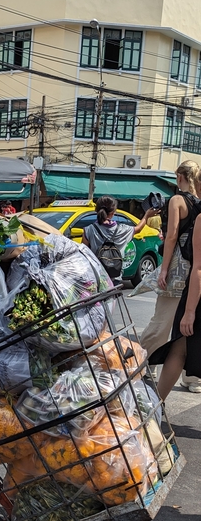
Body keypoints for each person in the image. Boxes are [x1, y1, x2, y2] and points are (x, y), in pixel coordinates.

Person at [140, 160, 201, 392]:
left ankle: (137, 362)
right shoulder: (199, 204)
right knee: (189, 329)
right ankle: (192, 378)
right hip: (195, 272)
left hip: (178, 271)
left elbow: (172, 236)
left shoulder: (177, 200)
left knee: (161, 321)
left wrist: (163, 269)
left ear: (179, 177)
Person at [153, 211, 201, 401]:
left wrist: (189, 311)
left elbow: (199, 267)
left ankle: (156, 407)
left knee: (179, 347)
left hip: (197, 295)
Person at [82, 195, 158, 284]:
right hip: (115, 276)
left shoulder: (88, 230)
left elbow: (84, 253)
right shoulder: (122, 229)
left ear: (96, 210)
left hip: (96, 277)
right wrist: (147, 215)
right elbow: (138, 228)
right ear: (113, 212)